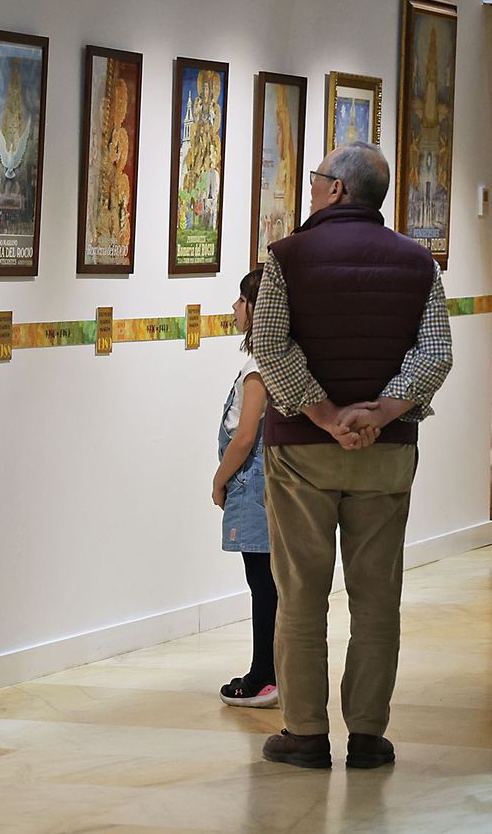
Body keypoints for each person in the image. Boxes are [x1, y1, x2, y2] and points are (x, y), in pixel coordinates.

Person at [251, 142, 453, 771]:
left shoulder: (287, 258)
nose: (311, 190)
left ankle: (306, 734)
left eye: (315, 181)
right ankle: (367, 735)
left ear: (337, 190)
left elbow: (270, 345)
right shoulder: (419, 263)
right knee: (375, 601)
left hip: (303, 455)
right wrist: (381, 412)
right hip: (385, 457)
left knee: (301, 598)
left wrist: (325, 415)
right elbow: (436, 352)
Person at [211, 267, 278, 709]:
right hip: (255, 482)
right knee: (267, 580)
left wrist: (219, 481)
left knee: (263, 582)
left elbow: (245, 437)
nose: (234, 308)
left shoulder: (258, 367)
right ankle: (272, 672)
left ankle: (263, 676)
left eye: (240, 300)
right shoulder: (265, 361)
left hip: (251, 483)